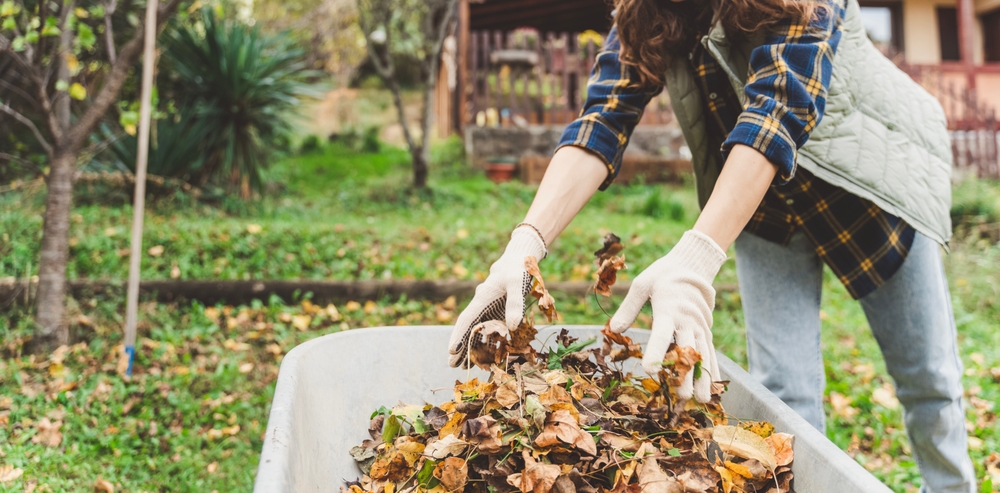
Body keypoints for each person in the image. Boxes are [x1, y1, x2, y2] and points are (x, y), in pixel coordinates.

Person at [447, 0, 976, 491]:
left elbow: (778, 107)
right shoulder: (644, 12)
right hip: (761, 210)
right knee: (785, 395)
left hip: (870, 192)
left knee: (928, 381)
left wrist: (698, 254)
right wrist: (525, 243)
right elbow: (601, 120)